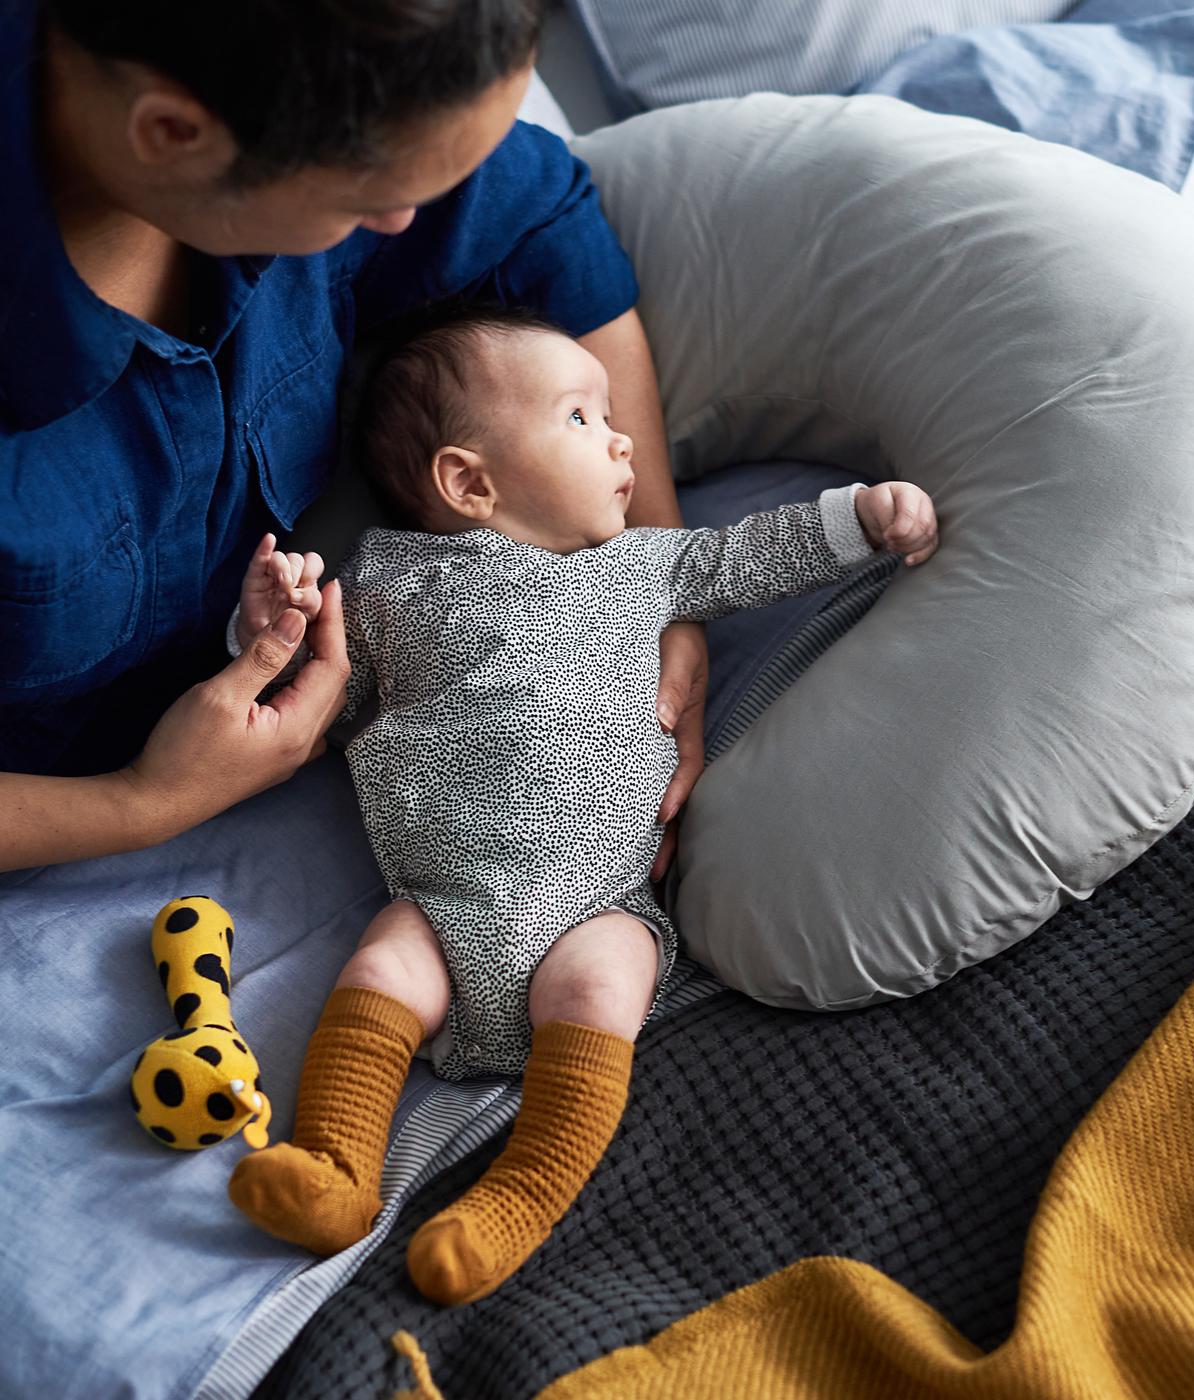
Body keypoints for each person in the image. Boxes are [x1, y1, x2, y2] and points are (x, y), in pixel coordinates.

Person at [226, 307, 941, 1305]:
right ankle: (339, 1165)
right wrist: (276, 629)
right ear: (468, 481)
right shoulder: (387, 581)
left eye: (613, 417)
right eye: (579, 416)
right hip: (444, 900)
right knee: (383, 962)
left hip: (594, 902)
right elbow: (323, 700)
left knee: (607, 982)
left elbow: (744, 557)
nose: (620, 441)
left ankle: (516, 1197)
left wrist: (860, 517)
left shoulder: (639, 565)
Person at [0, 0, 707, 889]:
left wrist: (652, 570)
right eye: (370, 200)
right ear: (176, 135)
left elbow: (540, 222)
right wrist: (141, 805)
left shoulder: (337, 84)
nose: (410, 221)